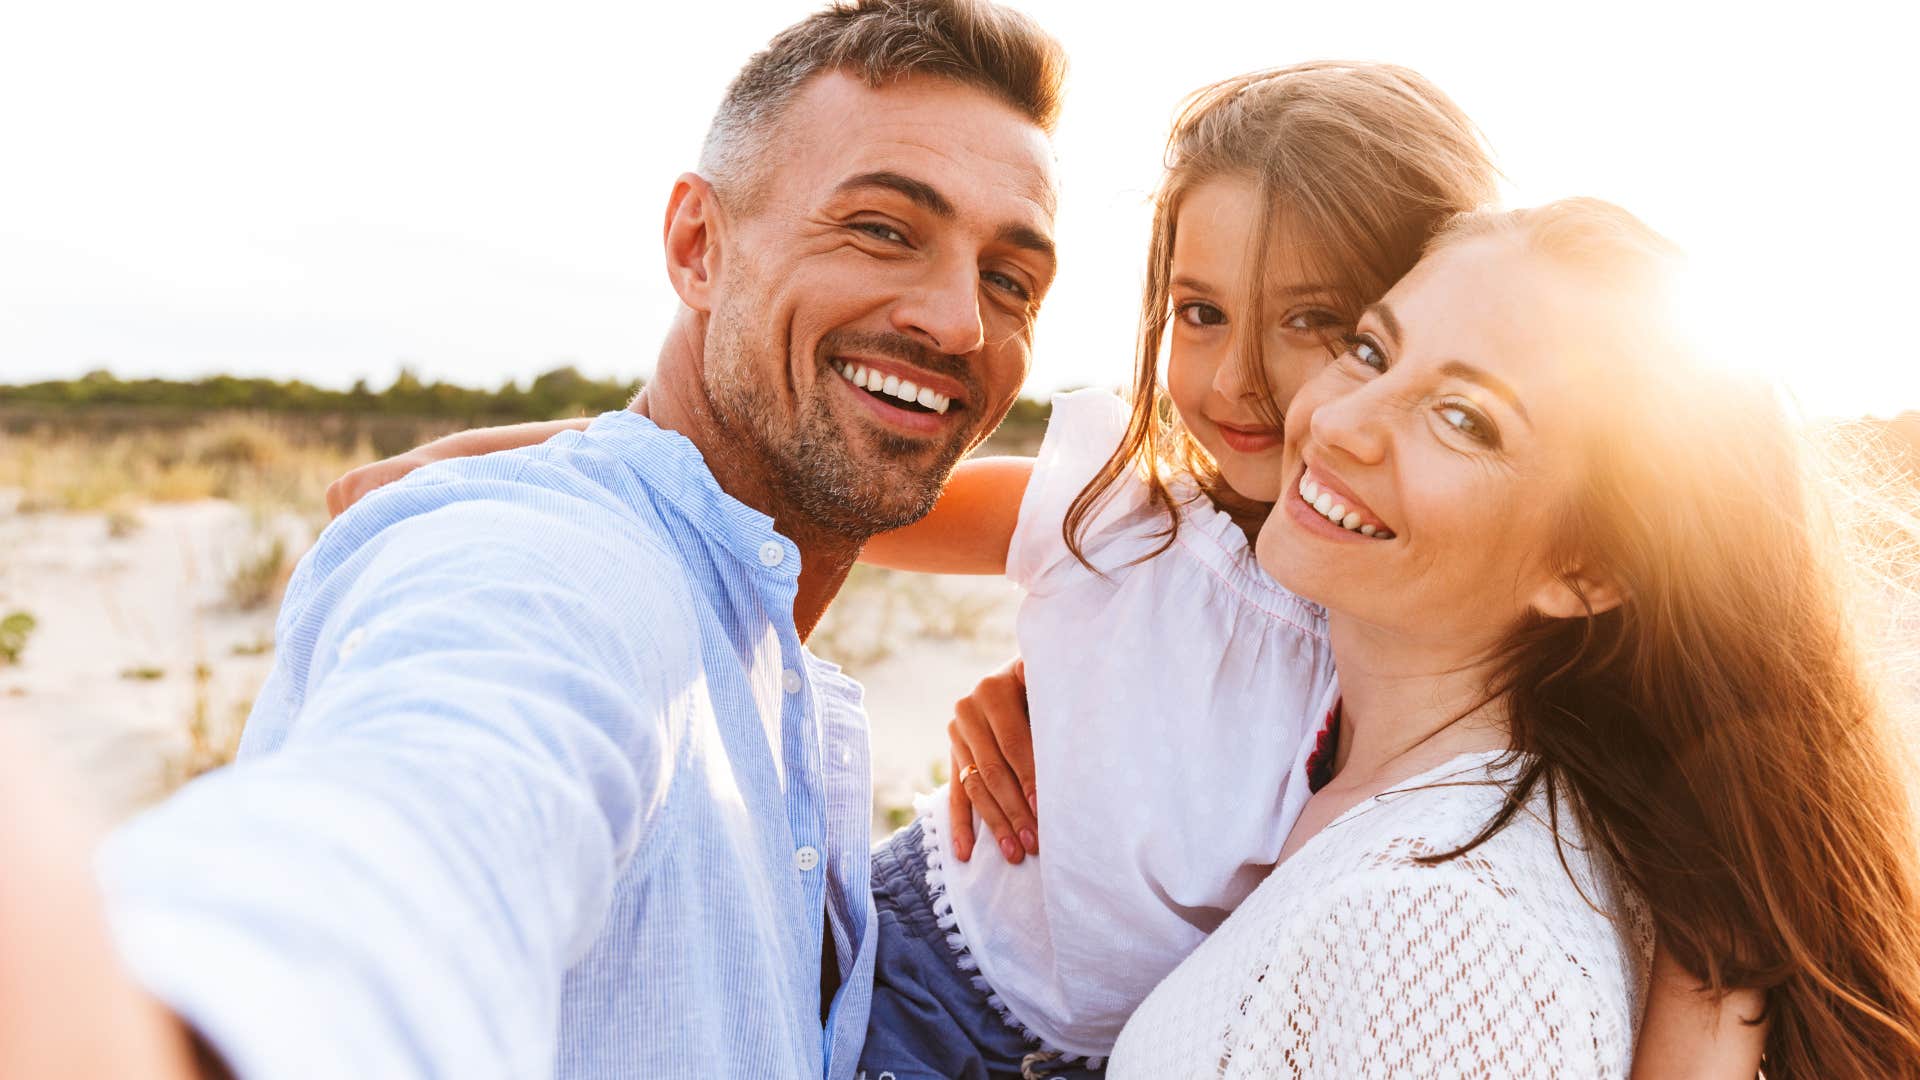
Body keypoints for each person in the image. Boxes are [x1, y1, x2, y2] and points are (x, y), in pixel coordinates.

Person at [335, 66, 1767, 1078]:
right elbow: (800, 484)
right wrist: (497, 461)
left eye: (1327, 325)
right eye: (1198, 314)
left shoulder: (1403, 626)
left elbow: (1714, 848)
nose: (1249, 381)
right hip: (929, 975)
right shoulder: (1124, 515)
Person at [0, 2, 1070, 1078]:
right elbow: (438, 802)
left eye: (1009, 280)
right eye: (883, 229)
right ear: (698, 246)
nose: (959, 321)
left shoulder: (758, 642)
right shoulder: (563, 570)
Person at [1100, 198, 1920, 1077]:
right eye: (1371, 350)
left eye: (1465, 419)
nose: (1336, 422)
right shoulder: (1328, 755)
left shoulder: (1441, 934)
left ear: (1586, 570)